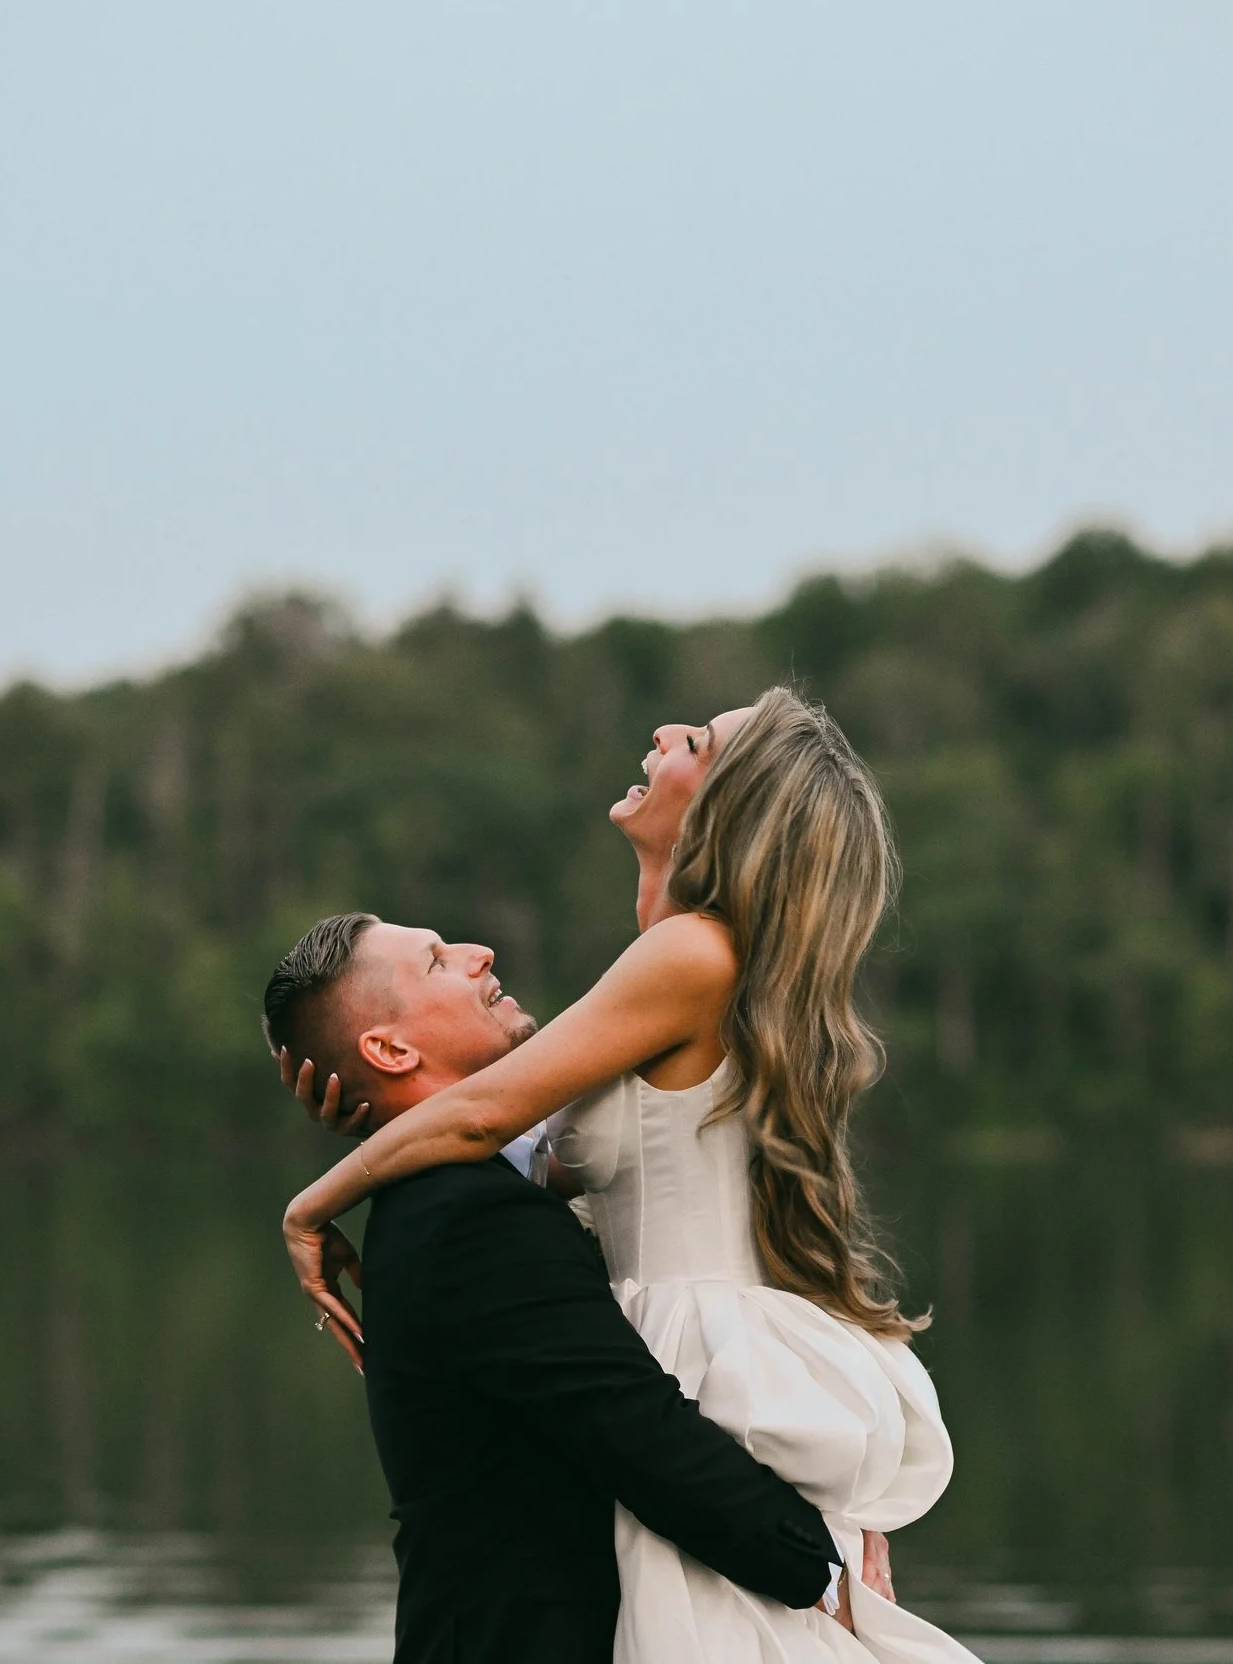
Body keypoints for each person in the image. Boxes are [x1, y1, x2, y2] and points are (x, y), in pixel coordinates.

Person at [275, 687, 980, 1663]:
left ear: (724, 812)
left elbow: (487, 1115)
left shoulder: (689, 951)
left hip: (693, 1335)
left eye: (692, 740)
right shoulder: (674, 959)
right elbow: (530, 1149)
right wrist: (377, 1107)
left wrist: (317, 1202)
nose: (659, 734)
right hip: (676, 1323)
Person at [262, 916, 846, 1664]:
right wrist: (824, 1571)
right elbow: (638, 1430)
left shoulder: (454, 1192)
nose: (481, 954)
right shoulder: (467, 1216)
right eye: (439, 961)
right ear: (391, 1048)